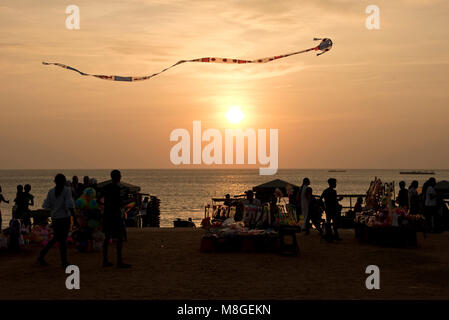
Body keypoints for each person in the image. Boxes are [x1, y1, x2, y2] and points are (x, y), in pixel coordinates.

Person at [38, 174, 75, 267]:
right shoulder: (67, 190)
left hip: (55, 219)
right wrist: (74, 217)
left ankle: (42, 256)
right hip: (64, 218)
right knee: (62, 240)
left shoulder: (51, 192)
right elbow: (70, 205)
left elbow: (46, 205)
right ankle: (63, 261)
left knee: (57, 238)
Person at [100, 170, 131, 268]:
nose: (121, 177)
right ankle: (119, 261)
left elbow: (98, 199)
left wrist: (105, 205)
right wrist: (132, 200)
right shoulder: (117, 189)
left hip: (107, 214)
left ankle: (105, 260)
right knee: (119, 237)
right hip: (115, 214)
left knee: (107, 237)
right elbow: (120, 203)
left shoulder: (106, 188)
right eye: (120, 176)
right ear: (117, 177)